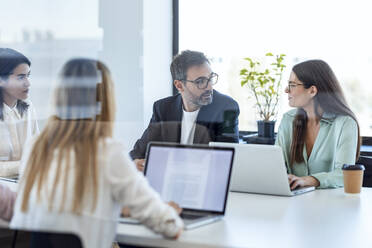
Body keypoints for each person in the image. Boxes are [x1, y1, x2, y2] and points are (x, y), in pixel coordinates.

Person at [10, 58, 183, 248]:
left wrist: (119, 208)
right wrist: (169, 214)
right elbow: (170, 227)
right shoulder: (107, 151)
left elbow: (69, 210)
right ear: (104, 100)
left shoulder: (37, 146)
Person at [130, 50, 240, 171]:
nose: (209, 87)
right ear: (179, 85)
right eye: (200, 81)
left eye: (210, 78)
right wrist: (135, 162)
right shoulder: (163, 109)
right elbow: (137, 152)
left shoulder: (226, 107)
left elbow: (226, 161)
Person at [276, 59, 360, 189]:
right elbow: (276, 166)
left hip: (331, 204)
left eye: (292, 85)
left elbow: (344, 175)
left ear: (312, 91)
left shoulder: (345, 124)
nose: (287, 90)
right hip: (293, 203)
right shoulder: (288, 120)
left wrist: (309, 180)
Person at [0, 48, 39, 177]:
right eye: (21, 77)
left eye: (28, 76)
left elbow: (37, 152)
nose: (28, 83)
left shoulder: (28, 108)